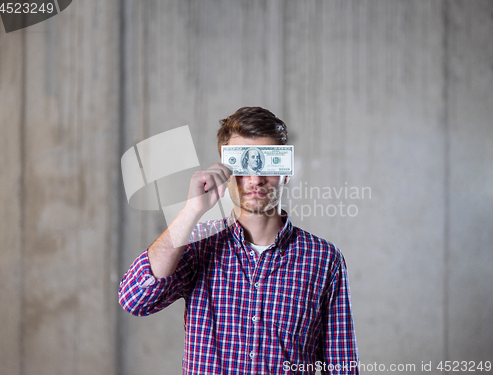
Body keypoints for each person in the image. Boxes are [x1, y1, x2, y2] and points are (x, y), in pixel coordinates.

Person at [118, 107, 359, 374]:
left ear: (286, 171)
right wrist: (191, 211)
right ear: (225, 171)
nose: (255, 179)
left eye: (267, 164)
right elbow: (137, 299)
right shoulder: (198, 244)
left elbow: (342, 364)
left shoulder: (324, 259)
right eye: (243, 165)